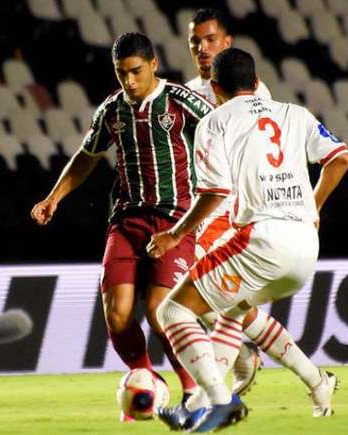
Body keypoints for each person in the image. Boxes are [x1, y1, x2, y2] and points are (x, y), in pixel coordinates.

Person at [147, 48, 348, 432]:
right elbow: (339, 157)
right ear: (257, 82)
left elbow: (214, 191)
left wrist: (176, 234)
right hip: (306, 246)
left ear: (216, 88)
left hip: (260, 238)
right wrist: (314, 206)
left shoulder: (215, 120)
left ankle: (219, 402)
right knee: (235, 311)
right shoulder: (295, 113)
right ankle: (204, 402)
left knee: (172, 312)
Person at [30, 32, 214, 420]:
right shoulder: (112, 110)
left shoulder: (182, 102)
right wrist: (53, 198)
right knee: (116, 314)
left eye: (135, 72)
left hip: (175, 219)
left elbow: (226, 134)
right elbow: (87, 156)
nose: (128, 81)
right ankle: (147, 379)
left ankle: (195, 393)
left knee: (161, 310)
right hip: (127, 220)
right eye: (121, 73)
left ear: (153, 65)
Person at [182, 7, 339, 413]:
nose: (203, 48)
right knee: (232, 306)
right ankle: (311, 378)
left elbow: (249, 165)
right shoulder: (183, 93)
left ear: (227, 43)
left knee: (202, 302)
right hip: (214, 208)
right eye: (196, 41)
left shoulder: (253, 98)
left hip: (234, 210)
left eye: (211, 39)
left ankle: (211, 397)